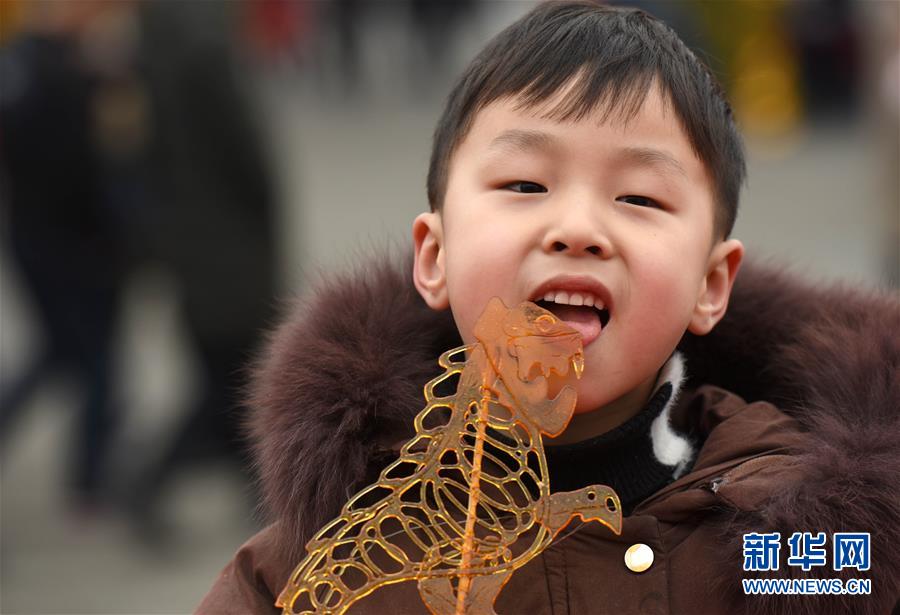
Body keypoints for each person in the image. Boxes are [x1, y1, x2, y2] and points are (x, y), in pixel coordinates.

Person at [198, 2, 899, 613]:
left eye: (639, 198)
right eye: (527, 183)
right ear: (434, 256)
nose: (577, 228)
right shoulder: (303, 569)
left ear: (711, 284)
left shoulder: (826, 551)